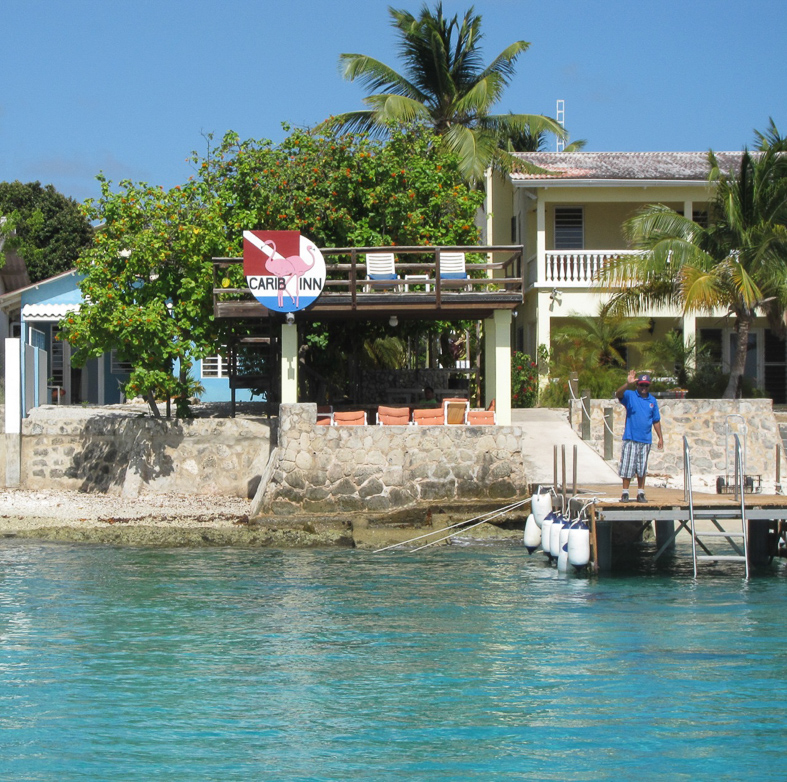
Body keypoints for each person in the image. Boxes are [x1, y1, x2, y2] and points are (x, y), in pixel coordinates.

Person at [615, 370, 663, 503]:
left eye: (646, 386)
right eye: (641, 385)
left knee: (641, 468)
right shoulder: (630, 395)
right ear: (637, 385)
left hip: (645, 439)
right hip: (631, 438)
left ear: (649, 386)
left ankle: (640, 493)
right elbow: (618, 394)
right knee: (627, 466)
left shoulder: (652, 401)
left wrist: (660, 437)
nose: (643, 388)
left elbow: (656, 420)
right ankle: (625, 493)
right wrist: (627, 383)